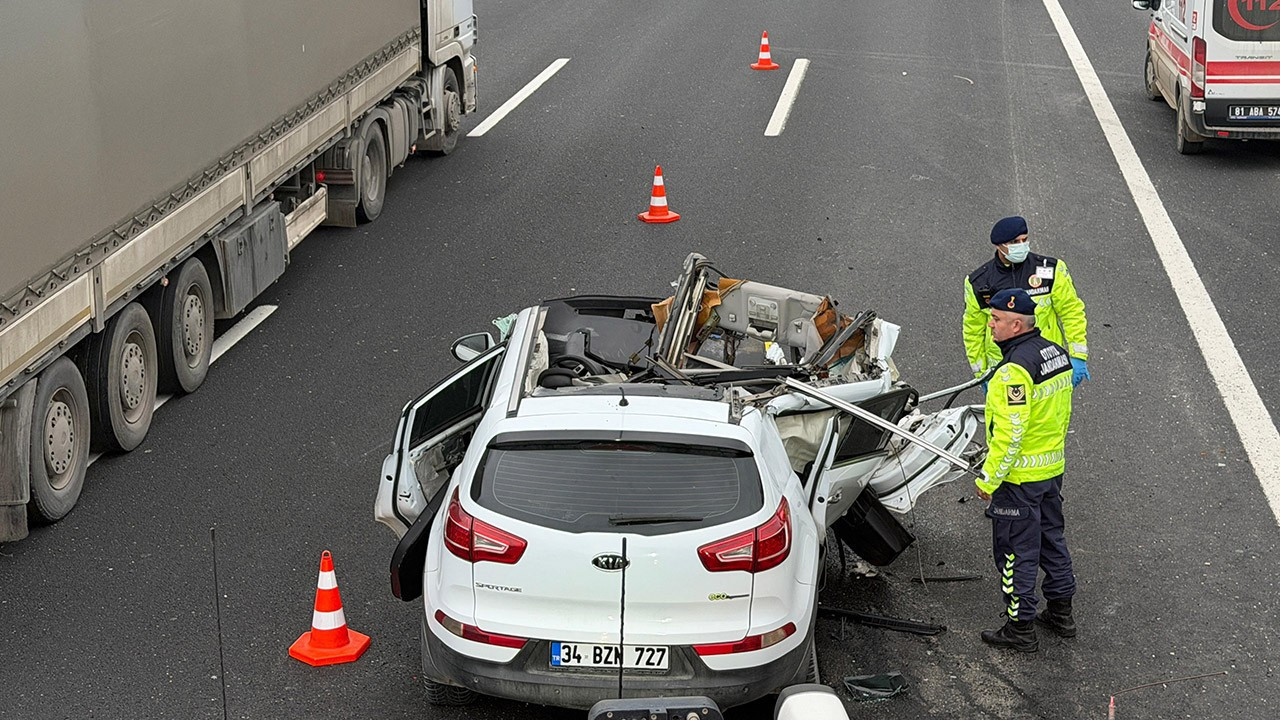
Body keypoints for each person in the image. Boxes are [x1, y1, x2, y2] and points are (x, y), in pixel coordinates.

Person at [975, 288, 1077, 653]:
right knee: (1052, 538)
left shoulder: (1014, 371)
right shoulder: (1055, 353)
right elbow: (1058, 415)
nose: (990, 325)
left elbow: (1010, 433)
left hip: (1019, 479)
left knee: (1015, 552)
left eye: (997, 320)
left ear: (1016, 324)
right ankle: (1061, 613)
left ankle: (1020, 629)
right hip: (1051, 468)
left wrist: (989, 478)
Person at [963, 216, 1090, 390]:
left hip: (1047, 362)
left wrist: (1078, 355)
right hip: (1004, 368)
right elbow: (973, 330)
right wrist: (981, 374)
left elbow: (1071, 312)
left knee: (1053, 415)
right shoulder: (979, 282)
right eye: (1015, 241)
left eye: (1025, 239)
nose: (1022, 245)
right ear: (999, 245)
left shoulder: (1050, 270)